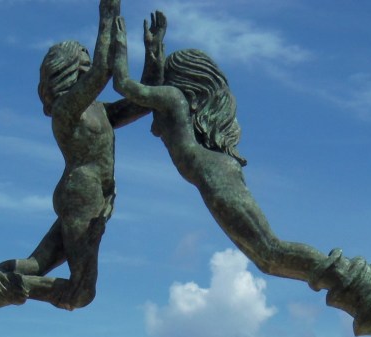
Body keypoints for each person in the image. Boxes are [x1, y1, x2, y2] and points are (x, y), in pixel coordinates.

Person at [110, 16, 317, 284]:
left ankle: (341, 274)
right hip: (213, 173)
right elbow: (149, 87)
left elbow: (123, 85)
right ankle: (337, 276)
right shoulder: (172, 103)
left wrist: (117, 43)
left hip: (214, 173)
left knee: (269, 252)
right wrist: (153, 49)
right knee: (267, 257)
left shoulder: (173, 99)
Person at [0, 2, 166, 311]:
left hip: (90, 195)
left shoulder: (99, 110)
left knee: (34, 265)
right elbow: (102, 71)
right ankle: (10, 287)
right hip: (81, 194)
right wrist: (108, 16)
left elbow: (142, 101)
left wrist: (154, 52)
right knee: (82, 291)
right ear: (66, 66)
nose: (89, 57)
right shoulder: (65, 109)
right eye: (83, 55)